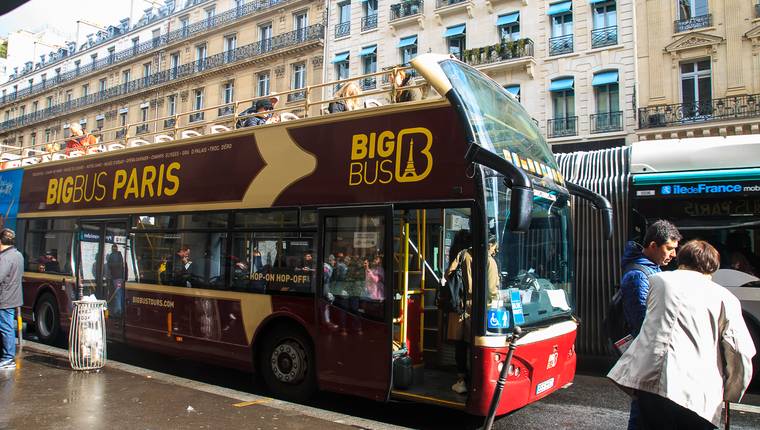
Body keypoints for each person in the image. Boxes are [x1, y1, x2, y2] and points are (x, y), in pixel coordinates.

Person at [608, 240, 756, 429]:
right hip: (697, 390)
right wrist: (730, 393)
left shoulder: (658, 281)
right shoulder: (726, 298)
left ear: (681, 259)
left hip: (651, 380)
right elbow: (739, 350)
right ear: (712, 268)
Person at [619, 219, 681, 429]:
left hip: (652, 355)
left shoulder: (652, 269)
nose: (673, 255)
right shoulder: (638, 275)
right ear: (653, 246)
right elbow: (643, 322)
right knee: (643, 411)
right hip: (647, 356)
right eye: (669, 249)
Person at [445, 232, 500, 395]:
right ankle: (477, 380)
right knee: (475, 345)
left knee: (460, 346)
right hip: (476, 310)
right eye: (495, 246)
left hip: (459, 308)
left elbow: (448, 274)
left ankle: (461, 380)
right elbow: (491, 291)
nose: (495, 250)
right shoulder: (489, 261)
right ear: (489, 245)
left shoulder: (463, 254)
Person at [0, 228, 23, 370]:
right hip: (13, 296)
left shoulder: (4, 258)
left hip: (4, 297)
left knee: (6, 327)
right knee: (7, 326)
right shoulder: (17, 254)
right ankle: (7, 356)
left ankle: (8, 358)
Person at [106, 244, 125, 317]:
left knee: (117, 294)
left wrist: (110, 265)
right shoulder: (120, 255)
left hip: (116, 277)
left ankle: (118, 310)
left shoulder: (113, 255)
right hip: (120, 277)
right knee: (119, 293)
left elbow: (110, 265)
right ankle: (119, 309)